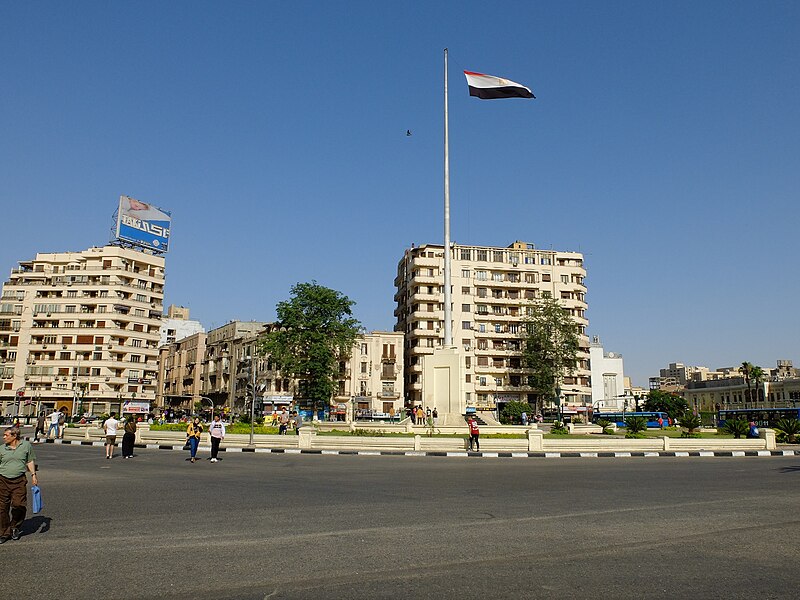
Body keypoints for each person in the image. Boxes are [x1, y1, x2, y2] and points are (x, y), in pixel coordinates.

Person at [0, 426, 38, 543]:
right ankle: (4, 533)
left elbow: (30, 460)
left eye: (6, 435)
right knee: (2, 508)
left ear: (14, 436)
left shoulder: (26, 446)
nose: (4, 437)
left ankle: (14, 526)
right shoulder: (2, 448)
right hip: (3, 480)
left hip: (19, 480)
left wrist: (33, 475)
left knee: (19, 505)